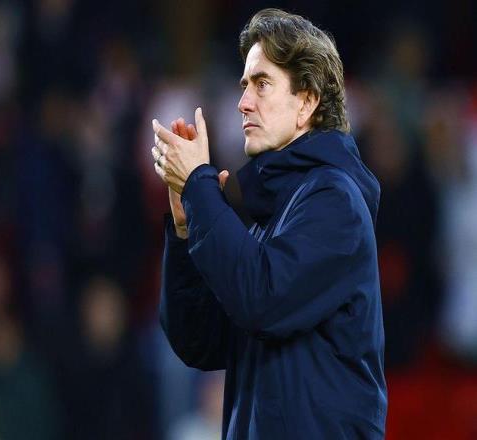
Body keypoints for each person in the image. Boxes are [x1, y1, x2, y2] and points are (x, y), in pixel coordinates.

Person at [151, 8, 387, 439]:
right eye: (244, 85)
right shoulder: (273, 213)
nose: (243, 102)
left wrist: (200, 186)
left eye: (262, 84)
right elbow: (199, 343)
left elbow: (261, 299)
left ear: (306, 102)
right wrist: (185, 228)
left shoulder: (335, 201)